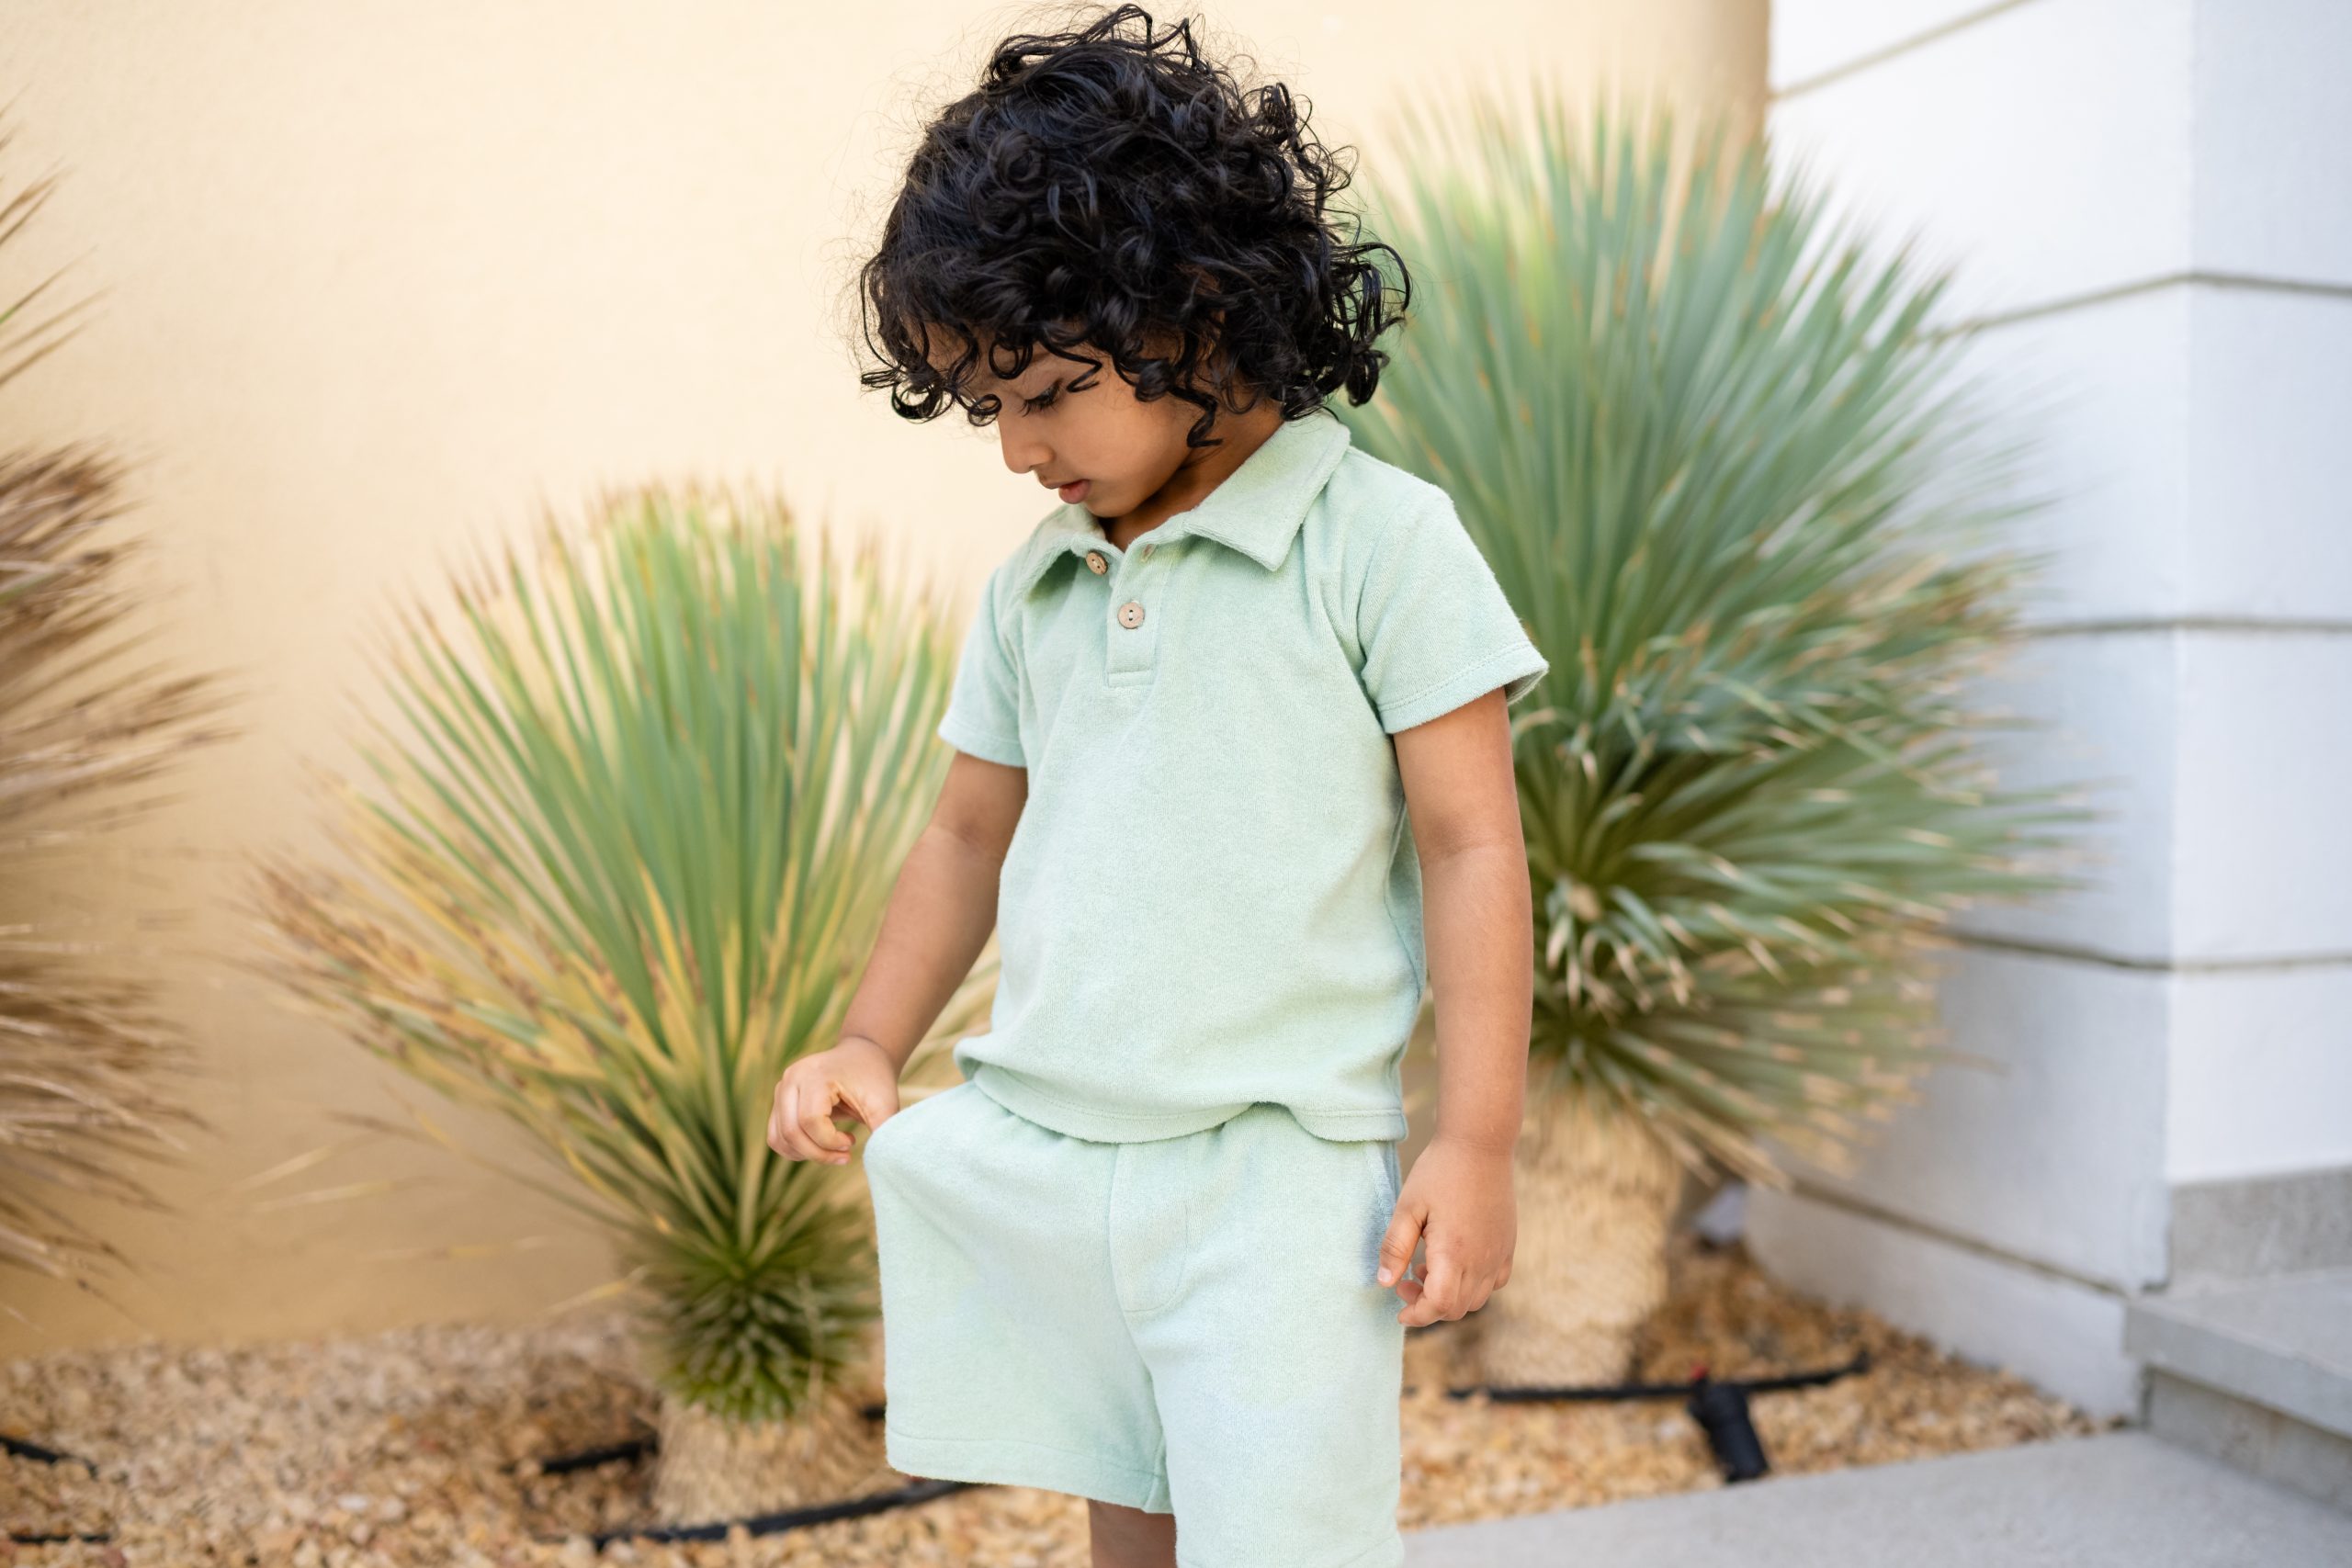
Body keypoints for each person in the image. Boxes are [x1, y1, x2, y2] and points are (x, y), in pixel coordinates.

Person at [768, 8, 1547, 1564]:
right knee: (1126, 1506)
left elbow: (1473, 848)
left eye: (1049, 391)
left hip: (1275, 1173)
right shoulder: (1038, 583)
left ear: (1196, 309)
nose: (1016, 450)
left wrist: (1473, 1143)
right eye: (988, 406)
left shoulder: (1380, 546)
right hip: (1063, 1148)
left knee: (1282, 1537)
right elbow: (965, 833)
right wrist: (869, 1038)